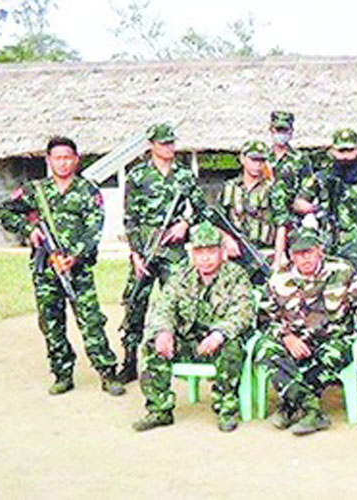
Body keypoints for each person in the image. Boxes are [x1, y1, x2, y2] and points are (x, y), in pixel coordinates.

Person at [0, 137, 125, 396]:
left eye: (68, 157)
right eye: (58, 157)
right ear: (49, 160)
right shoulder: (35, 191)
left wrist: (75, 257)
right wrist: (28, 230)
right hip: (45, 271)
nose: (63, 162)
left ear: (76, 159)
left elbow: (93, 229)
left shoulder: (87, 191)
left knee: (91, 321)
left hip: (77, 270)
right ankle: (62, 373)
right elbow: (4, 211)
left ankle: (107, 373)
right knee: (51, 322)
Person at [258, 227, 357, 435]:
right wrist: (287, 337)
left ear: (319, 250)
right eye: (298, 254)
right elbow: (265, 318)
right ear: (290, 255)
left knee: (332, 355)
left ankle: (292, 404)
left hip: (335, 337)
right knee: (265, 349)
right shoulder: (279, 278)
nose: (305, 259)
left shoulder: (343, 271)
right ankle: (311, 409)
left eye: (309, 252)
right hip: (295, 339)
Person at [132, 223, 253, 432]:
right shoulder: (180, 275)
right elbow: (163, 307)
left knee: (232, 347)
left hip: (218, 341)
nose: (205, 258)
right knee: (152, 344)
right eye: (199, 252)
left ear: (222, 253)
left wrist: (219, 334)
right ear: (192, 254)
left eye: (211, 252)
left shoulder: (236, 276)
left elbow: (242, 312)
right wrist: (164, 332)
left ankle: (225, 408)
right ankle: (159, 409)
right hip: (190, 340)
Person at [118, 123, 210, 384]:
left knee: (181, 302)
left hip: (173, 250)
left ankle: (179, 355)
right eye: (163, 143)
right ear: (152, 145)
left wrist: (186, 224)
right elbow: (130, 219)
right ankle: (129, 361)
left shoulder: (184, 175)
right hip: (146, 248)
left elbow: (202, 210)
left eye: (171, 143)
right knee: (135, 302)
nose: (169, 148)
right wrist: (135, 254)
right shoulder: (137, 176)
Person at [297, 129, 357, 299]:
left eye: (349, 150)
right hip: (328, 244)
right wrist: (317, 210)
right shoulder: (321, 178)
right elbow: (299, 202)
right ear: (332, 151)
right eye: (341, 151)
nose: (345, 156)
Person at [217, 140, 276, 284]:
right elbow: (216, 219)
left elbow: (282, 224)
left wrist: (279, 258)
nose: (257, 165)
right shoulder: (230, 187)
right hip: (236, 252)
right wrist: (227, 239)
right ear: (242, 159)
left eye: (262, 161)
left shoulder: (272, 189)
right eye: (253, 160)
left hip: (264, 252)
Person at [267, 110, 313, 270]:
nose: (281, 134)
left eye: (284, 131)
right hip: (265, 223)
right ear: (271, 130)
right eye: (277, 130)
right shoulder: (262, 158)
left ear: (291, 132)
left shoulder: (300, 159)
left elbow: (308, 191)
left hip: (293, 223)